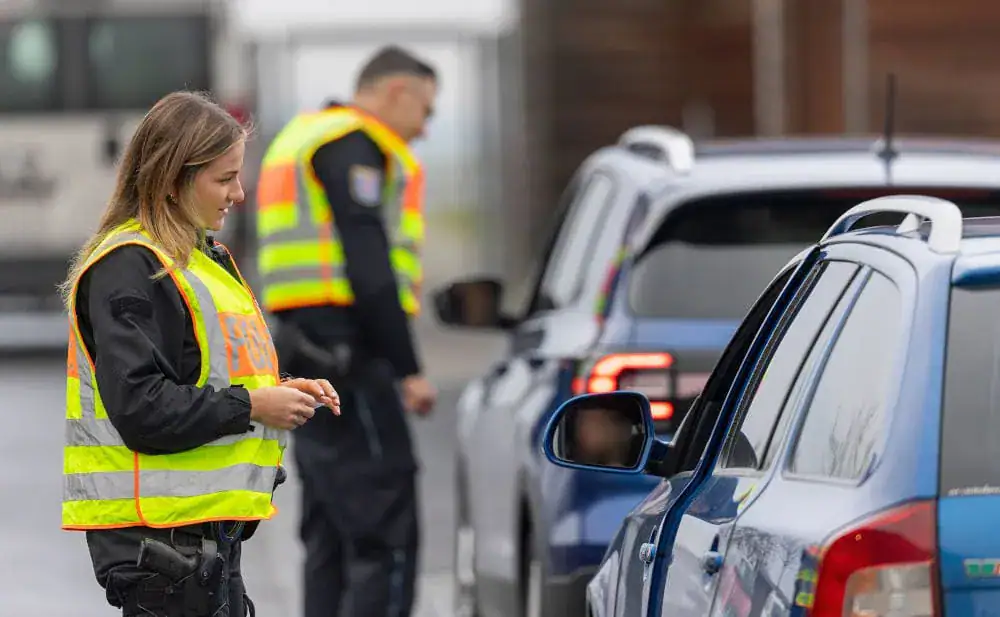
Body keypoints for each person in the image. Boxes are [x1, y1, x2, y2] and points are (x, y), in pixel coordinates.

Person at [58, 90, 341, 617]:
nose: (239, 191)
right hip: (163, 555)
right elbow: (143, 409)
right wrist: (254, 406)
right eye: (224, 177)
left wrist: (278, 393)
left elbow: (205, 374)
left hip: (200, 551)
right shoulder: (132, 268)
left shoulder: (196, 261)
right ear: (172, 178)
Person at [254, 45, 439, 617]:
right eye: (425, 111)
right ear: (395, 92)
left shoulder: (304, 138)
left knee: (331, 530)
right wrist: (408, 369)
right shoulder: (355, 146)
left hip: (304, 348)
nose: (425, 127)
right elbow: (371, 270)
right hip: (349, 355)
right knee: (385, 529)